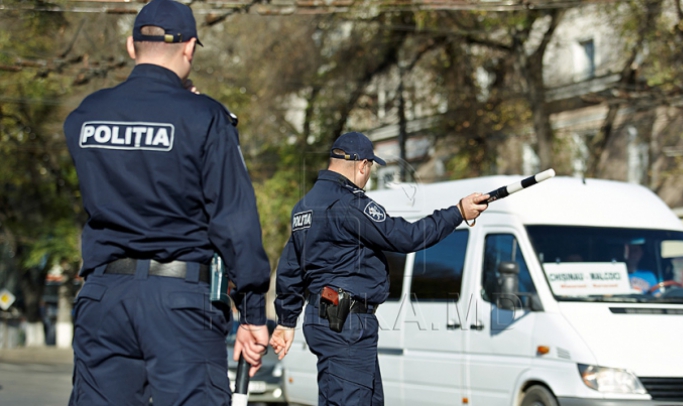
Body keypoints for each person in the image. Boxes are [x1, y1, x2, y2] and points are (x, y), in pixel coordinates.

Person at [63, 0, 270, 404]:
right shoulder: (207, 119)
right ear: (190, 48)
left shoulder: (85, 115)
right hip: (180, 305)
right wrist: (253, 314)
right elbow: (235, 223)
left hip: (103, 298)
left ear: (130, 46)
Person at [269, 131, 490, 406]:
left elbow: (290, 268)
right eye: (370, 169)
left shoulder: (304, 207)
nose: (368, 177)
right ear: (362, 165)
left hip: (323, 316)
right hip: (347, 321)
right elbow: (406, 237)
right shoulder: (350, 204)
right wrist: (457, 212)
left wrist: (286, 321)